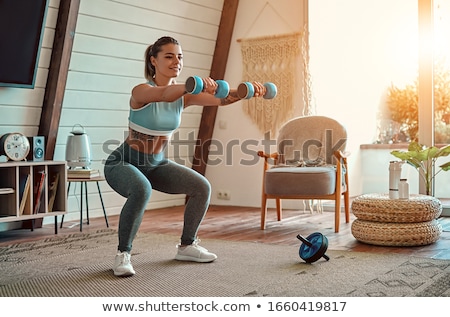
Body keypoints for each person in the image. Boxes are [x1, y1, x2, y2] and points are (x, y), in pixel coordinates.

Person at [104, 36, 268, 277]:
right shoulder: (141, 91)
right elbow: (165, 94)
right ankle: (123, 255)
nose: (176, 61)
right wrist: (194, 85)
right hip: (124, 162)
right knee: (142, 190)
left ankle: (187, 245)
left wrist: (246, 91)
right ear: (153, 60)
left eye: (179, 57)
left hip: (156, 164)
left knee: (201, 186)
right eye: (169, 56)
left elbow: (222, 99)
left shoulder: (184, 95)